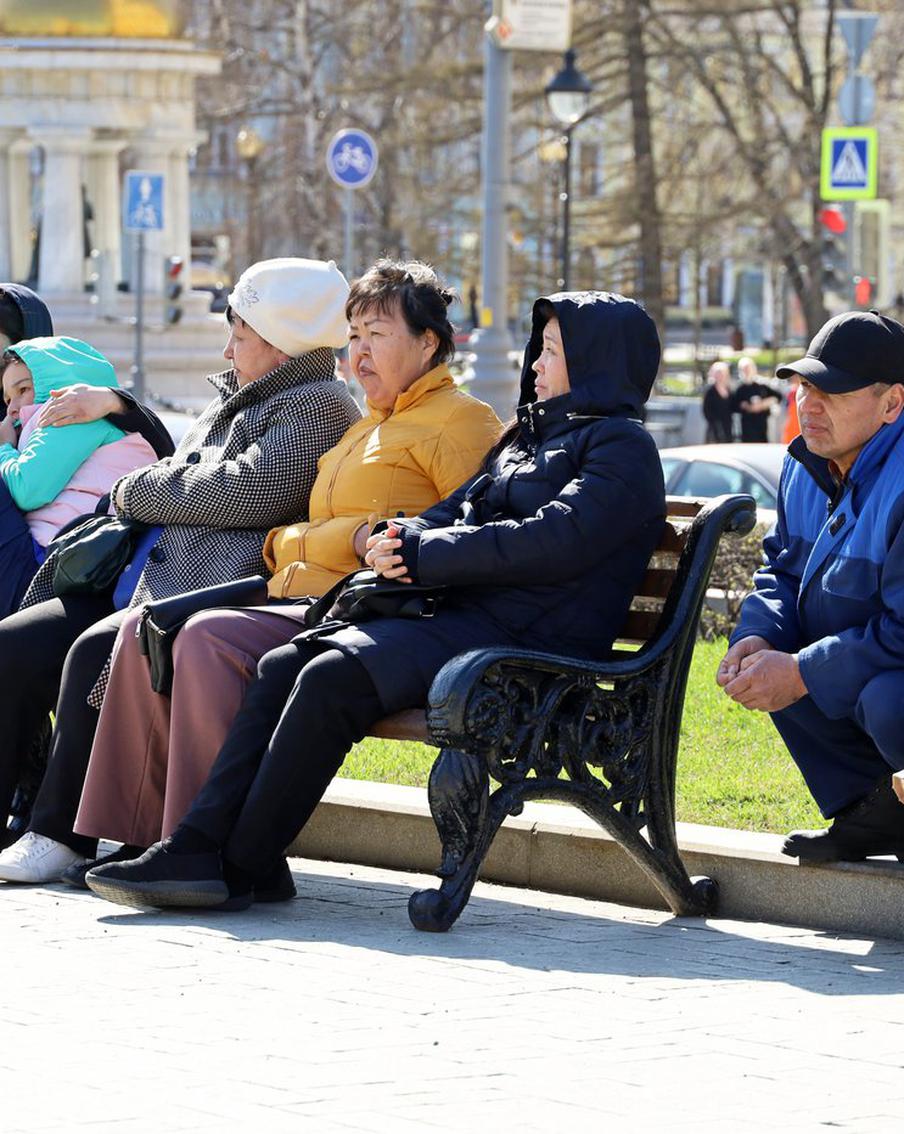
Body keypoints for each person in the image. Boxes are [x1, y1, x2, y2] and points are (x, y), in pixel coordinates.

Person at [84, 289, 667, 913]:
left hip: (531, 642)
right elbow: (455, 509)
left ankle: (242, 864)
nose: (535, 366)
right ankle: (198, 846)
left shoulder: (620, 450)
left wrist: (426, 555)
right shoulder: (529, 437)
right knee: (285, 664)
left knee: (332, 676)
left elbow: (554, 539)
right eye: (541, 350)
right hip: (474, 620)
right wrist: (402, 538)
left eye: (550, 352)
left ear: (597, 362)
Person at [37, 259, 501, 882]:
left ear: (430, 343)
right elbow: (307, 524)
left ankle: (189, 842)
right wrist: (317, 539)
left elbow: (457, 534)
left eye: (378, 336)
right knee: (154, 629)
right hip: (307, 593)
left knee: (199, 636)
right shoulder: (369, 424)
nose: (359, 354)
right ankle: (148, 836)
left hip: (371, 613)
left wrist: (331, 540)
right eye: (354, 335)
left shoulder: (454, 420)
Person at [0, 257, 360, 881]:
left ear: (280, 343)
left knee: (92, 654)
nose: (228, 347)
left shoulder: (319, 405)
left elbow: (245, 489)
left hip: (207, 590)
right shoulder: (249, 396)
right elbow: (186, 469)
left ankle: (61, 834)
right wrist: (131, 429)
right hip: (143, 580)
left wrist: (133, 489)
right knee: (14, 648)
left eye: (240, 334)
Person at [716, 310, 904, 862]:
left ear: (892, 403)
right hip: (863, 660)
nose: (808, 403)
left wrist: (801, 671)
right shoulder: (803, 463)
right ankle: (873, 815)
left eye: (834, 391)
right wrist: (758, 634)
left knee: (887, 699)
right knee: (772, 661)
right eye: (803, 385)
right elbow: (781, 567)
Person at [0, 337, 158, 617]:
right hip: (63, 558)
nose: (12, 407)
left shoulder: (68, 413)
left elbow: (28, 489)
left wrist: (3, 449)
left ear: (56, 382)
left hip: (51, 563)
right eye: (8, 398)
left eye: (23, 389)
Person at [734, 356, 782, 443]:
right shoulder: (739, 389)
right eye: (744, 369)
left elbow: (778, 396)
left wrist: (763, 404)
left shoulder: (762, 385)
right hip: (747, 430)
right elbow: (734, 406)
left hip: (763, 427)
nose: (747, 371)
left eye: (749, 368)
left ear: (754, 369)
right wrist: (746, 407)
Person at [702, 361, 734, 443]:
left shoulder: (729, 390)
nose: (720, 376)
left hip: (727, 426)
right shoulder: (709, 391)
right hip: (714, 428)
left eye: (722, 373)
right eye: (718, 373)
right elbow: (706, 410)